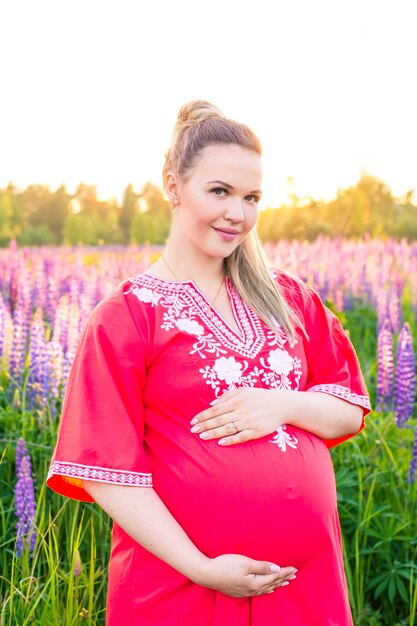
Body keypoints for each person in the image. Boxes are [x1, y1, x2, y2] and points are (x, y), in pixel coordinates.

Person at [47, 99, 371, 625]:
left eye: (252, 197)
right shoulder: (127, 315)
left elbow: (349, 409)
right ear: (173, 186)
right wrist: (200, 566)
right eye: (219, 191)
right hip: (179, 586)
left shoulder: (289, 298)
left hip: (301, 586)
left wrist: (281, 405)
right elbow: (104, 470)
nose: (238, 214)